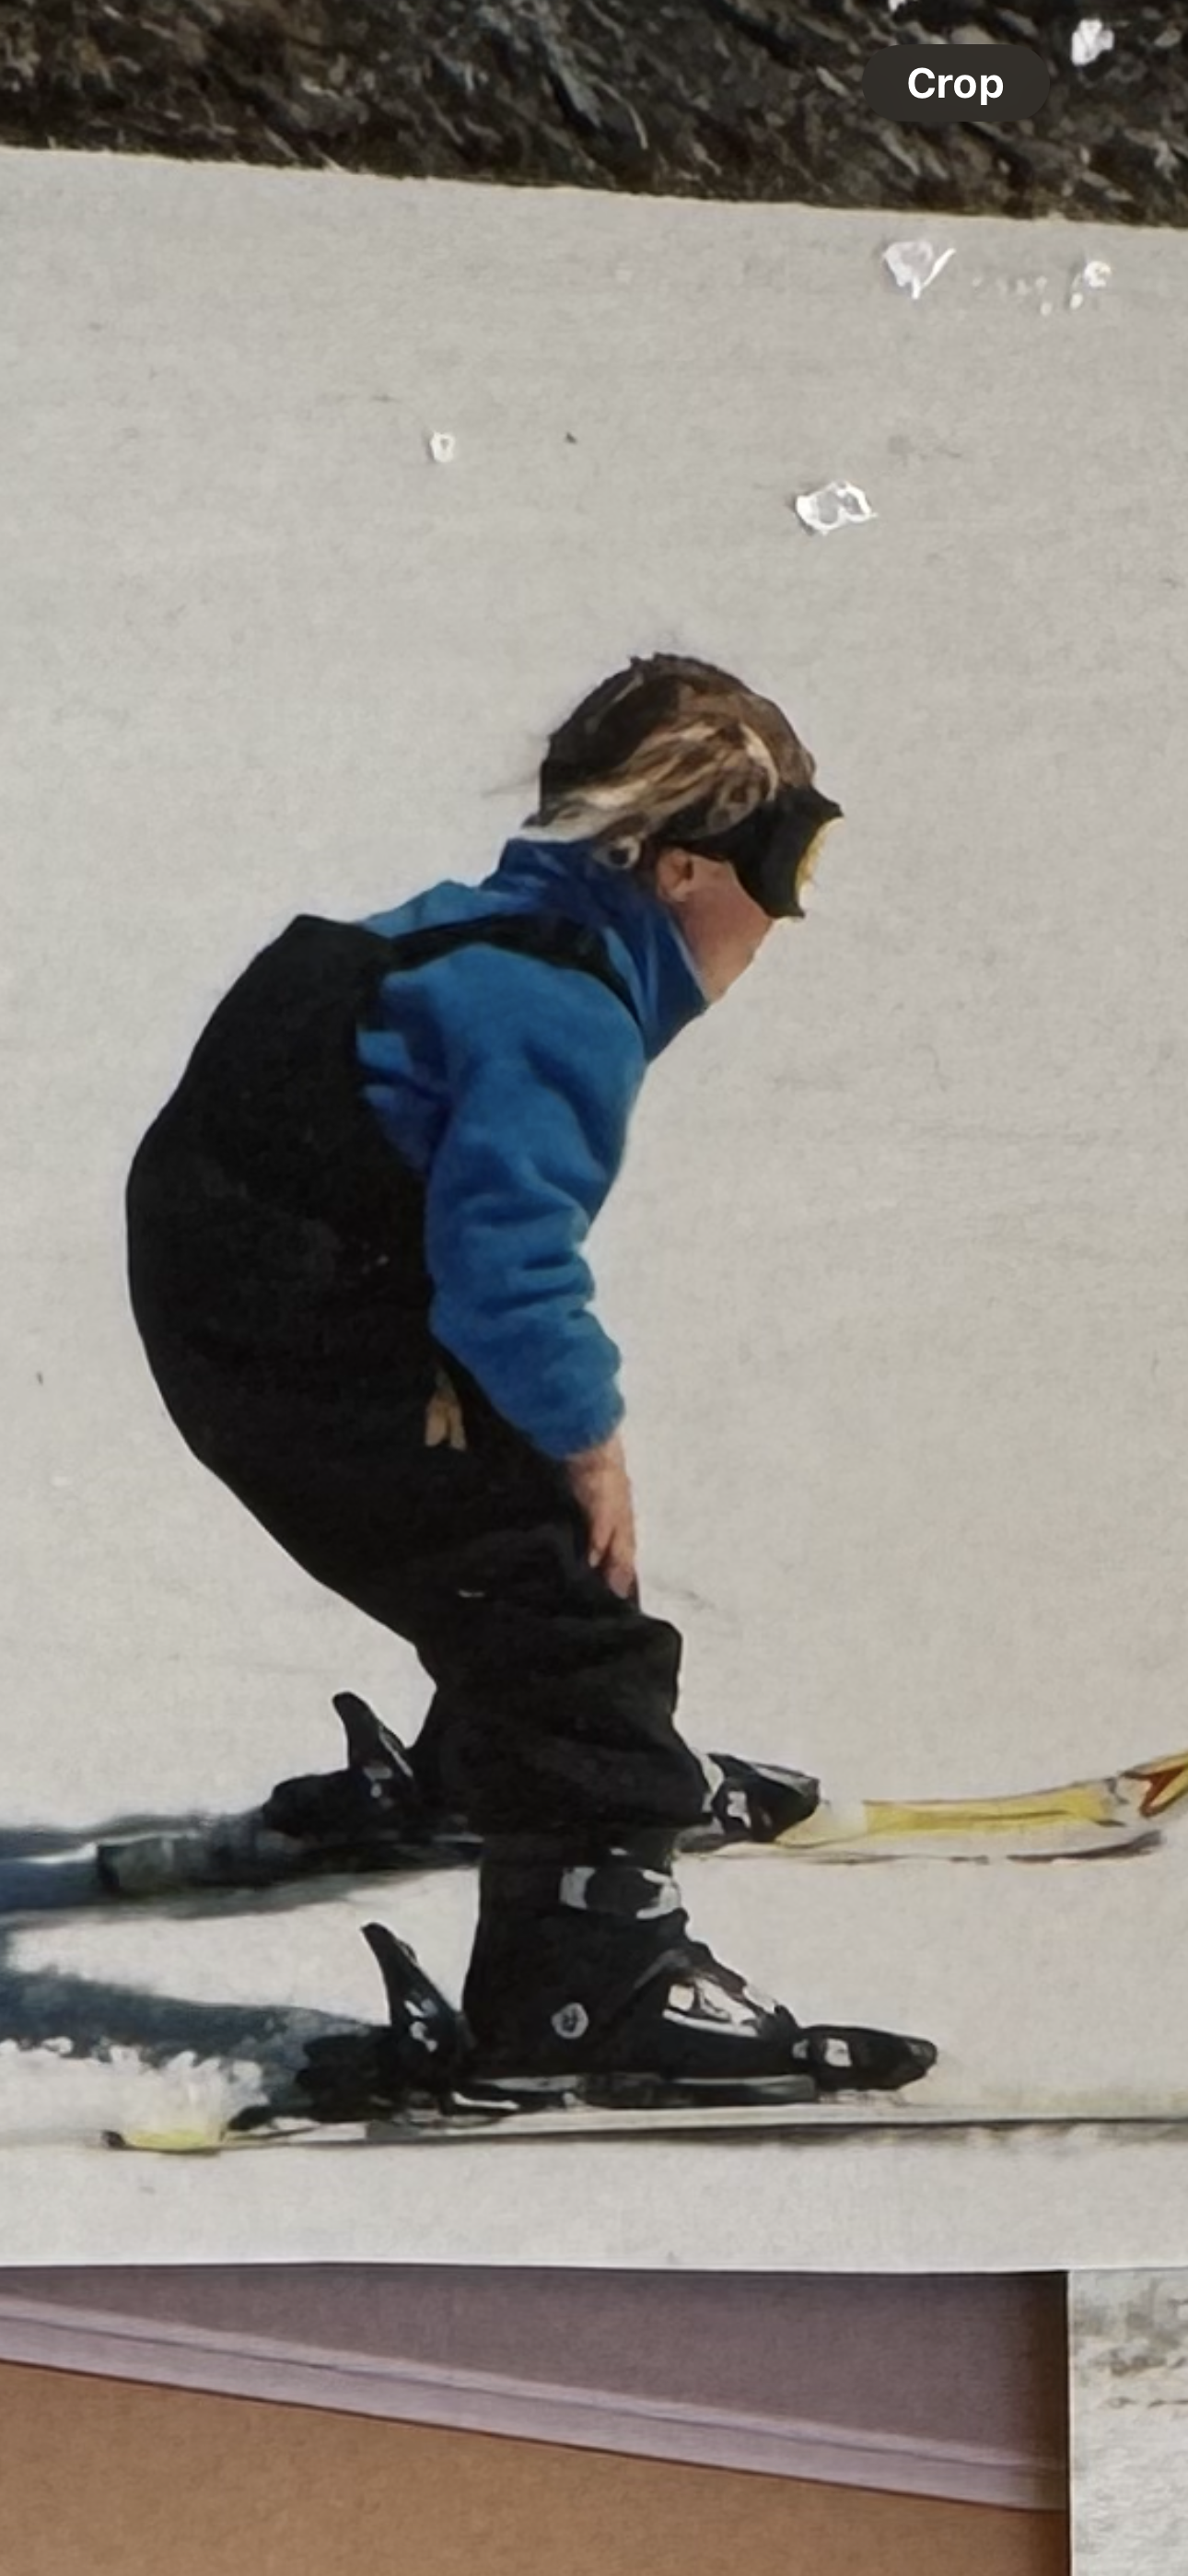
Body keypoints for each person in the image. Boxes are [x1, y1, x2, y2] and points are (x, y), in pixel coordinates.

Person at [124, 651, 936, 2105]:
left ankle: (508, 1770)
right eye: (788, 864)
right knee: (569, 1618)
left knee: (502, 1548)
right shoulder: (555, 1012)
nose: (786, 915)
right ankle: (587, 1977)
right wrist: (588, 1439)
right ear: (683, 865)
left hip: (253, 1294)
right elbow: (509, 1270)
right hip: (289, 1328)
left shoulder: (483, 940)